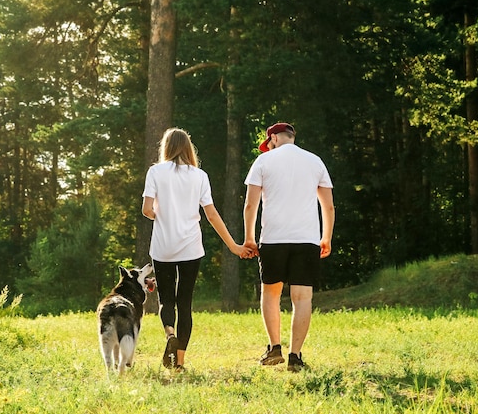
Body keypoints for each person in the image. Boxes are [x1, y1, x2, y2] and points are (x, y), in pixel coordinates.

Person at [142, 127, 252, 371]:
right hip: (190, 247)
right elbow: (211, 214)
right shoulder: (199, 176)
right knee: (185, 303)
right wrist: (233, 246)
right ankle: (179, 363)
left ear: (166, 148)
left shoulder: (155, 172)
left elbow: (147, 210)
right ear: (188, 148)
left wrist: (162, 215)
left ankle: (170, 334)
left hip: (163, 247)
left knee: (166, 300)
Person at [243, 122, 335, 372]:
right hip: (307, 239)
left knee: (271, 294)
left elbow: (251, 205)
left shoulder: (264, 162)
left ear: (273, 138)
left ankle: (274, 348)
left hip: (273, 238)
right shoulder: (315, 161)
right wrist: (326, 237)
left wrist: (249, 238)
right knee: (302, 297)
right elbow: (328, 206)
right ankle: (295, 356)